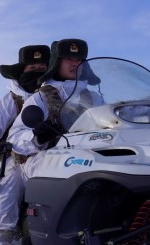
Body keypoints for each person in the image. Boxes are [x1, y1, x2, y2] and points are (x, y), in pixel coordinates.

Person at [0, 44, 50, 245]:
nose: (38, 70)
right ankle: (6, 242)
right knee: (9, 187)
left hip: (52, 155)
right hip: (15, 158)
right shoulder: (10, 102)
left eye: (43, 66)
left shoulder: (57, 95)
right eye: (33, 66)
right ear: (22, 70)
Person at [7, 38, 100, 168]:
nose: (75, 64)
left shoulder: (94, 98)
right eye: (69, 59)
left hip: (92, 159)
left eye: (79, 60)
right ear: (56, 63)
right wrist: (37, 137)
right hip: (50, 165)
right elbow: (14, 138)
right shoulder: (40, 98)